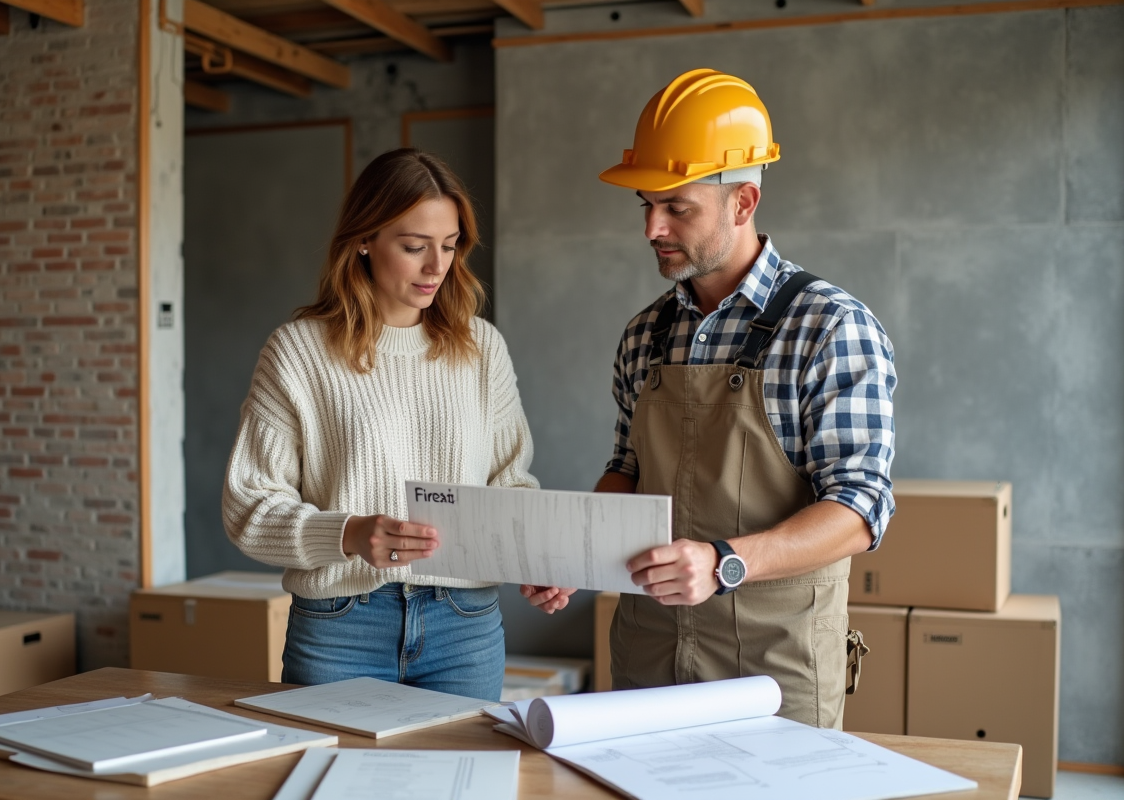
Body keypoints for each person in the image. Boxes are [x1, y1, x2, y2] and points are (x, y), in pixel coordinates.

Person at [591, 69, 895, 729]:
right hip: (650, 664)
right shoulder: (644, 334)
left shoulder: (830, 328)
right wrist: (575, 549)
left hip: (774, 674)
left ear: (743, 201)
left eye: (678, 207)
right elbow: (627, 469)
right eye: (646, 204)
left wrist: (724, 562)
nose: (652, 227)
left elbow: (859, 510)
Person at [222, 148, 539, 703]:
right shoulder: (297, 353)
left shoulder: (483, 347)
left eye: (449, 246)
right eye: (415, 247)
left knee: (462, 788)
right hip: (340, 626)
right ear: (364, 239)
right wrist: (347, 533)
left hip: (462, 626)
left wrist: (535, 555)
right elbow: (249, 508)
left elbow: (510, 485)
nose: (436, 266)